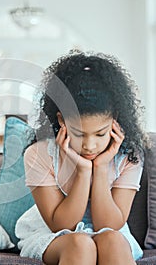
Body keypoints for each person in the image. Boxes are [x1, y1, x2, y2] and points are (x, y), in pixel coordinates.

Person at [15, 50, 148, 265]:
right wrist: (84, 171)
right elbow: (62, 225)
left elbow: (110, 224)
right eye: (79, 134)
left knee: (112, 240)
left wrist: (102, 167)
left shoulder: (129, 157)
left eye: (100, 133)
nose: (89, 145)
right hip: (55, 235)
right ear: (62, 121)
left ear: (114, 122)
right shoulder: (39, 155)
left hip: (113, 233)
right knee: (80, 244)